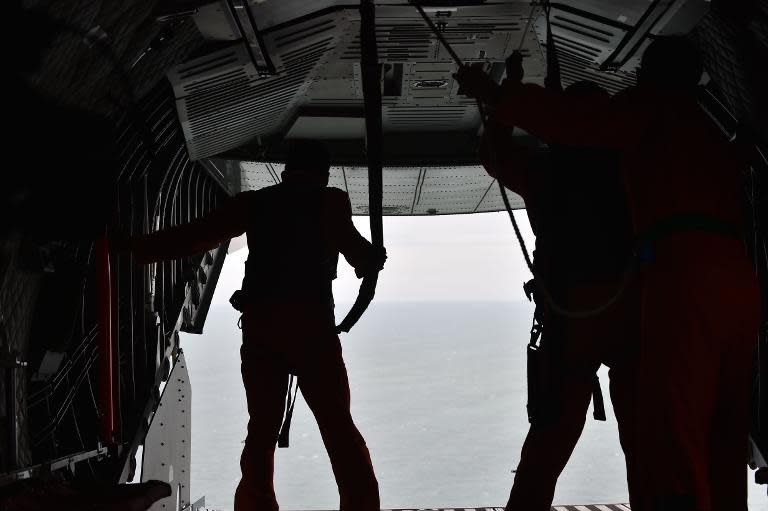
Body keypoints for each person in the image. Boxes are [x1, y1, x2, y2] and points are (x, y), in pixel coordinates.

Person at [457, 36, 760, 511]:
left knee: (575, 438)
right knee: (699, 428)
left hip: (604, 309)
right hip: (700, 294)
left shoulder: (584, 152)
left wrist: (502, 97)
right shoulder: (706, 127)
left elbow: (502, 153)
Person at [124, 140, 386, 511]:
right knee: (339, 430)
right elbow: (358, 253)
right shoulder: (330, 202)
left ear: (285, 172)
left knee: (262, 430)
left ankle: (257, 505)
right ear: (324, 175)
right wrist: (372, 259)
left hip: (264, 334)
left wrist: (138, 248)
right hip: (314, 335)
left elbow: (195, 236)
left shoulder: (255, 203)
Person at [479, 73, 639, 510]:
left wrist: (501, 108)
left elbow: (495, 156)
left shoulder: (543, 172)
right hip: (631, 314)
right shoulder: (631, 166)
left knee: (550, 438)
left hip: (570, 317)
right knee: (647, 444)